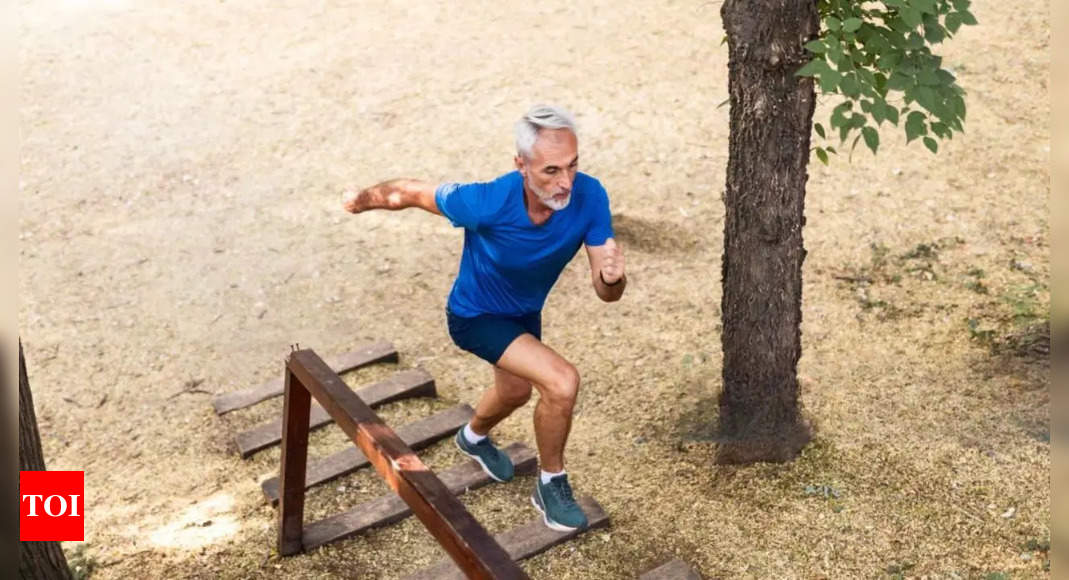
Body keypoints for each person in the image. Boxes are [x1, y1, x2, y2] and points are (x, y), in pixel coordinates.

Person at [342, 104, 626, 531]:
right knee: (561, 382)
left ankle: (471, 438)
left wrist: (612, 278)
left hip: (523, 316)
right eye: (550, 170)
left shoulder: (590, 196)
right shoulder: (487, 201)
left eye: (572, 165)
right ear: (521, 165)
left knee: (514, 393)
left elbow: (607, 293)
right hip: (474, 316)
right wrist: (359, 201)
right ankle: (551, 485)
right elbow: (412, 192)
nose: (565, 181)